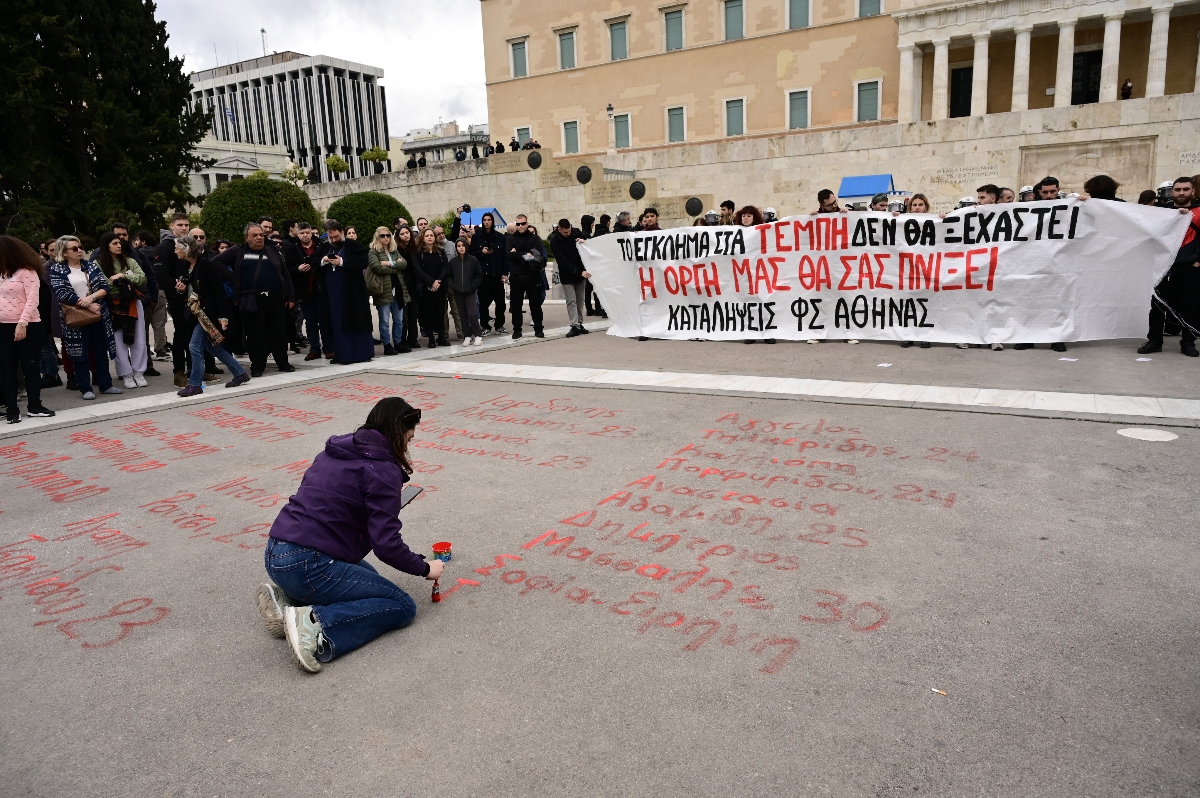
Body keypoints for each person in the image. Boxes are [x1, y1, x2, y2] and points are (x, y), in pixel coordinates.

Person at [258, 397, 441, 673]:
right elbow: (386, 545)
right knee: (400, 605)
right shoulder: (383, 470)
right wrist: (425, 568)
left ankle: (286, 601)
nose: (408, 444)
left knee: (372, 587)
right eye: (409, 437)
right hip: (309, 564)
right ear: (396, 432)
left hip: (277, 552)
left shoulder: (336, 450)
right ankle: (313, 625)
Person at [213, 223, 296, 377]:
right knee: (255, 334)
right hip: (252, 300)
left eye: (261, 235)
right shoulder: (238, 251)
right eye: (255, 235)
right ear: (247, 237)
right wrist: (235, 279)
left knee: (279, 333)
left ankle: (283, 363)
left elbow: (285, 273)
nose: (259, 238)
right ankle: (257, 366)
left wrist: (290, 296)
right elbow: (216, 262)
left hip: (275, 298)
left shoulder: (272, 251)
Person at [174, 235, 250, 397]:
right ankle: (240, 373)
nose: (175, 251)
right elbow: (190, 289)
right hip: (199, 315)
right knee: (212, 347)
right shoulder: (187, 266)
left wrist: (223, 316)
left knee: (195, 346)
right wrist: (181, 289)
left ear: (186, 249)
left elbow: (218, 291)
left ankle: (195, 384)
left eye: (177, 248)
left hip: (210, 315)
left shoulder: (206, 265)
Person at [48, 236, 122, 400]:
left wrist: (92, 299)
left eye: (80, 247)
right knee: (79, 353)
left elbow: (105, 287)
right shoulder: (57, 270)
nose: (80, 250)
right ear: (65, 253)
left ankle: (106, 385)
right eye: (74, 248)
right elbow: (62, 294)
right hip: (76, 317)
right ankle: (85, 388)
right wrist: (88, 304)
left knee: (100, 351)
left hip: (98, 314)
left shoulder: (91, 265)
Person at [1138, 176, 1200, 357]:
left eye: (1185, 189)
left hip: (1189, 267)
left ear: (1192, 191)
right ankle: (1155, 341)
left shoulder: (1198, 212)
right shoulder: (1161, 212)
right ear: (1172, 192)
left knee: (1191, 307)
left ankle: (1188, 343)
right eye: (1178, 189)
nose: (1181, 193)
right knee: (1157, 307)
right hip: (1163, 267)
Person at [0, 236, 55, 423]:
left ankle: (34, 405)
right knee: (7, 368)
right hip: (3, 326)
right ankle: (12, 410)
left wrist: (22, 323)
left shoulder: (27, 272)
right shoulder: (1, 273)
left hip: (28, 325)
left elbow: (33, 300)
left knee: (30, 366)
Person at [1014, 178, 1068, 351]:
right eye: (1045, 192)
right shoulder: (1028, 210)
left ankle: (1057, 338)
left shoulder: (1069, 207)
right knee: (1030, 301)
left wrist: (1084, 201)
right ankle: (1028, 338)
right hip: (1033, 261)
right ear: (1039, 193)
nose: (1049, 195)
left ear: (1058, 190)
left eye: (1053, 192)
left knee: (1057, 302)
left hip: (1058, 263)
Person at [95, 232, 150, 388]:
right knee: (118, 341)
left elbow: (142, 279)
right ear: (106, 246)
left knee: (139, 339)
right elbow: (104, 284)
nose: (119, 245)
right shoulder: (98, 264)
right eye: (114, 243)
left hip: (133, 303)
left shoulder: (130, 261)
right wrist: (123, 281)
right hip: (112, 305)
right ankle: (126, 374)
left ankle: (139, 372)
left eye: (119, 243)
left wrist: (123, 277)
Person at [316, 220, 375, 364]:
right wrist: (323, 260)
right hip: (332, 294)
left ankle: (361, 354)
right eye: (331, 237)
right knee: (337, 323)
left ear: (342, 232)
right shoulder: (325, 247)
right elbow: (313, 261)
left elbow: (363, 261)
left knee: (356, 320)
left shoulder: (353, 245)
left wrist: (342, 262)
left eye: (336, 236)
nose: (334, 240)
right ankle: (343, 355)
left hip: (352, 292)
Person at [290, 222, 331, 361]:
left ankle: (328, 348)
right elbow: (287, 270)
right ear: (297, 234)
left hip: (322, 289)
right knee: (310, 321)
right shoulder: (293, 249)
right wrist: (298, 270)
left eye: (308, 232)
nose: (305, 235)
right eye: (302, 233)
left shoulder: (322, 245)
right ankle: (314, 349)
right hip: (305, 292)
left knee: (324, 320)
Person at [366, 226, 410, 355]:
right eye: (383, 236)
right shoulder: (373, 251)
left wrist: (390, 264)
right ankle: (386, 344)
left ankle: (398, 342)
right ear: (377, 237)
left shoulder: (394, 250)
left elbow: (404, 264)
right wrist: (396, 266)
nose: (386, 238)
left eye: (388, 235)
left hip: (398, 289)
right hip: (383, 290)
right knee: (384, 321)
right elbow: (377, 268)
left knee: (398, 319)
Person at [468, 212, 509, 336]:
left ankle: (499, 325)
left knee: (500, 302)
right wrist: (482, 252)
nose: (487, 222)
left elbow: (504, 257)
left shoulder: (500, 237)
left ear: (492, 221)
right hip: (483, 275)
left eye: (489, 220)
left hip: (496, 275)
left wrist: (505, 273)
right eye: (485, 220)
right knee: (484, 303)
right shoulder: (476, 237)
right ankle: (485, 325)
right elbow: (472, 254)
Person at [506, 214, 546, 340]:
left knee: (535, 304)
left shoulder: (534, 238)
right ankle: (517, 330)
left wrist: (517, 253)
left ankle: (538, 328)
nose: (520, 226)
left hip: (532, 275)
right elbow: (509, 256)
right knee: (516, 305)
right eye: (518, 224)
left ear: (527, 223)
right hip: (517, 276)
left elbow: (537, 256)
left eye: (523, 223)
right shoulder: (511, 239)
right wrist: (525, 254)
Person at [549, 218, 591, 338]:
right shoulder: (555, 241)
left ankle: (580, 323)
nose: (568, 234)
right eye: (565, 232)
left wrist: (584, 241)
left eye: (569, 231)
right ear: (559, 229)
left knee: (580, 299)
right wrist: (579, 272)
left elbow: (589, 241)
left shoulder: (576, 232)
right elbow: (562, 261)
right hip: (568, 273)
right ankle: (574, 325)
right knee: (571, 300)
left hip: (581, 271)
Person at [412, 229, 450, 347]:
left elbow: (446, 267)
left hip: (440, 287)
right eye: (427, 236)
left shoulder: (440, 251)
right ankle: (431, 339)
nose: (429, 237)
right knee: (428, 313)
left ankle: (441, 337)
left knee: (440, 312)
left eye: (431, 235)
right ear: (422, 238)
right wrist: (431, 282)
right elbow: (418, 271)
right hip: (426, 288)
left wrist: (438, 282)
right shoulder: (418, 254)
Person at [449, 238, 484, 346]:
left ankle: (478, 335)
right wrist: (453, 287)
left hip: (470, 292)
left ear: (466, 246)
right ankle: (467, 335)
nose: (461, 248)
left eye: (463, 245)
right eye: (458, 246)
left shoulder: (473, 260)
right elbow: (449, 277)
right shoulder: (453, 262)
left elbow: (479, 275)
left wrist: (472, 286)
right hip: (458, 292)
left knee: (472, 314)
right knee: (462, 315)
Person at [434, 226, 464, 341]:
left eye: (442, 233)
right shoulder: (434, 248)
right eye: (438, 234)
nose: (441, 235)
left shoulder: (452, 245)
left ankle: (461, 333)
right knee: (443, 312)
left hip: (453, 283)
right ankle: (444, 335)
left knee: (457, 310)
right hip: (440, 284)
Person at [396, 225, 423, 350]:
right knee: (404, 315)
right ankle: (402, 339)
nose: (406, 235)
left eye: (407, 232)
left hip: (414, 283)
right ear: (398, 236)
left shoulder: (415, 248)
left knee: (414, 313)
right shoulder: (397, 249)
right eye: (402, 233)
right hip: (402, 283)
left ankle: (413, 338)